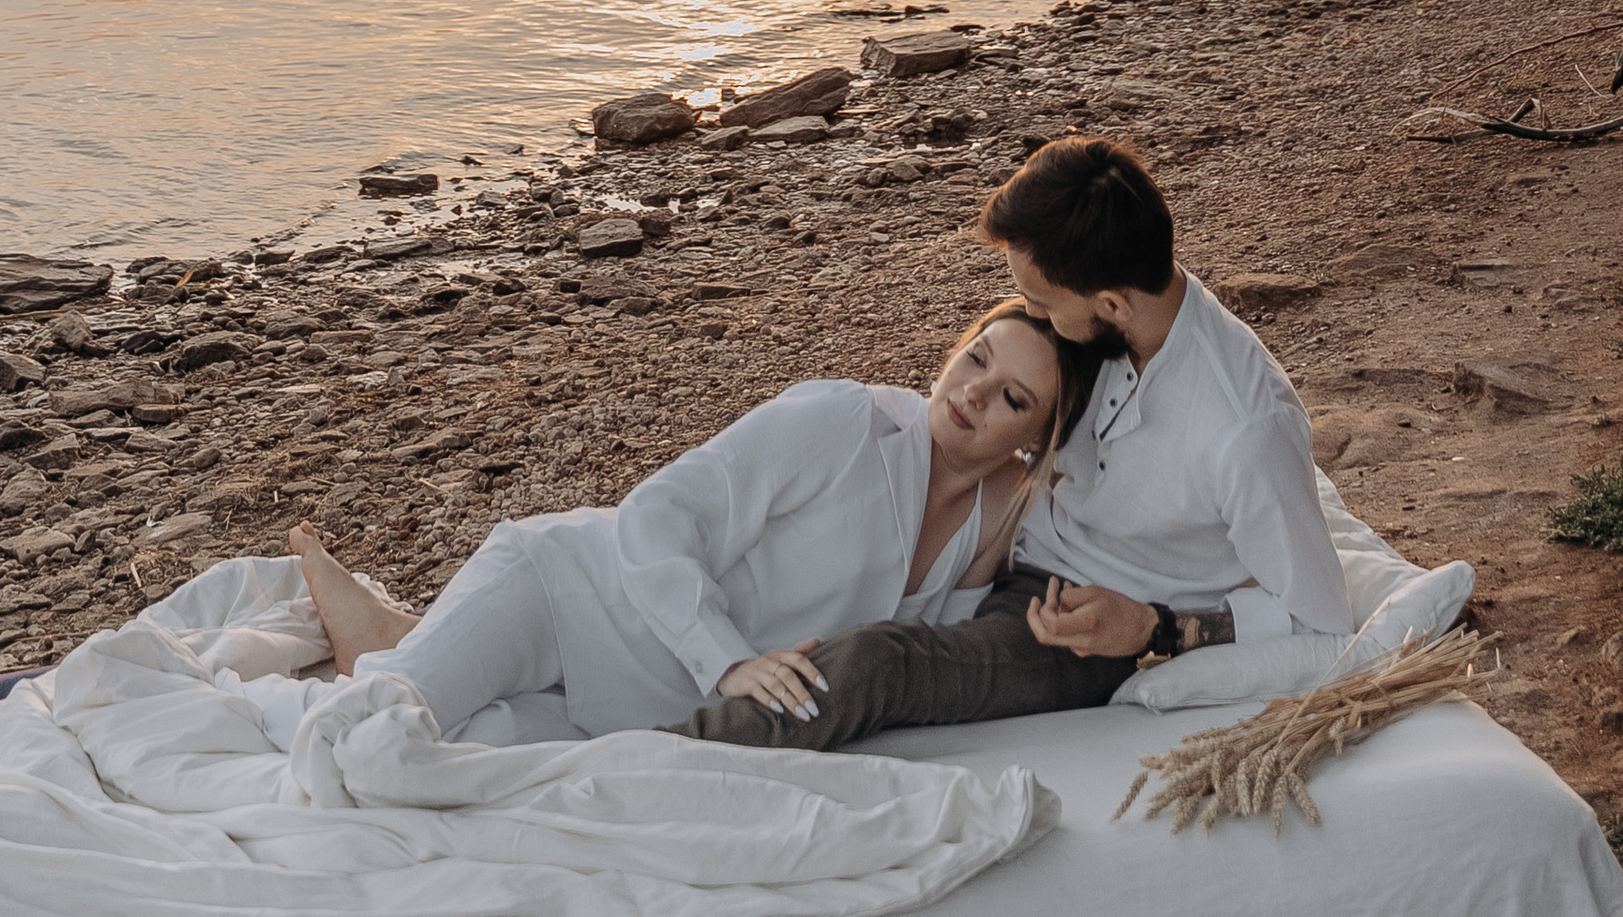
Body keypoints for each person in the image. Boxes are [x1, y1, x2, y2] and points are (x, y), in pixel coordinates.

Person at [675, 136, 1355, 749]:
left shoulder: (1244, 430)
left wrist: (1154, 627)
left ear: (1111, 302)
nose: (1029, 312)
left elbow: (1320, 625)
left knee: (874, 665)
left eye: (1040, 299)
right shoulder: (1101, 326)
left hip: (1068, 624)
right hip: (994, 539)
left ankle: (652, 764)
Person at [288, 297, 1105, 740]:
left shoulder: (990, 527)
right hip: (567, 597)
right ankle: (394, 651)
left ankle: (396, 635)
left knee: (463, 772)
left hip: (633, 707)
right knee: (368, 733)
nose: (970, 392)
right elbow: (656, 514)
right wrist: (729, 663)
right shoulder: (844, 422)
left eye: (1012, 398)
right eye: (976, 358)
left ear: (1036, 437)